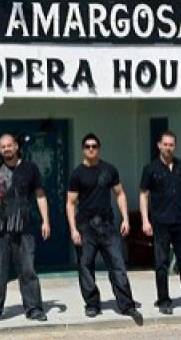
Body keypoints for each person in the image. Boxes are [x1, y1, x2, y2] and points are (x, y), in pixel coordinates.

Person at [0, 133, 51, 324]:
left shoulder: (30, 168)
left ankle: (34, 308)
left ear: (16, 146)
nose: (6, 149)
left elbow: (40, 195)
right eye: (2, 146)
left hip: (24, 229)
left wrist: (45, 221)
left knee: (28, 270)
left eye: (9, 145)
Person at [66, 133, 142, 322]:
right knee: (85, 267)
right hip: (85, 227)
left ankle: (127, 305)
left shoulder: (109, 170)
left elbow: (120, 194)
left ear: (98, 148)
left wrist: (125, 219)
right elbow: (70, 203)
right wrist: (73, 229)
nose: (91, 149)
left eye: (94, 146)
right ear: (83, 149)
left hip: (107, 226)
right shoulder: (77, 174)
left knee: (118, 266)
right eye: (87, 146)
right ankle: (92, 304)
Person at [139, 131, 181, 318]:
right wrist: (145, 220)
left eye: (172, 145)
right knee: (161, 263)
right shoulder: (150, 169)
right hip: (160, 222)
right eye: (165, 144)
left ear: (174, 146)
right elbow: (144, 195)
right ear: (159, 146)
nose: (168, 148)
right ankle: (164, 301)